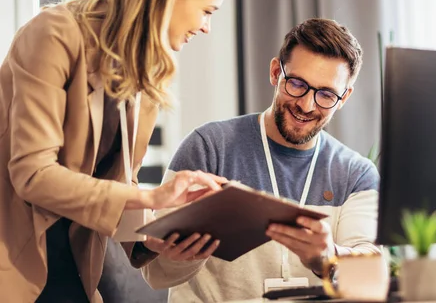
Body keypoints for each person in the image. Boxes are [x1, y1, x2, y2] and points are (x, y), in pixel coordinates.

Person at [0, 0, 233, 302]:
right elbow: (33, 174)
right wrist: (153, 197)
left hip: (73, 260)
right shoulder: (54, 34)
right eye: (207, 11)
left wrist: (158, 240)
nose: (206, 28)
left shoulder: (146, 74)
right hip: (15, 254)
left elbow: (118, 182)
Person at [142, 18, 381, 302]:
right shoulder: (209, 148)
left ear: (344, 98)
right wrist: (188, 253)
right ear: (275, 72)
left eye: (326, 94)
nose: (306, 105)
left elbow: (370, 283)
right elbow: (155, 274)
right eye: (296, 84)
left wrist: (328, 258)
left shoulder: (356, 174)